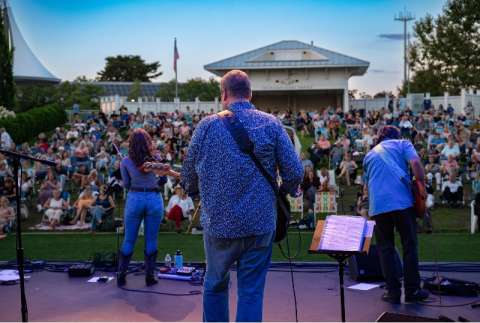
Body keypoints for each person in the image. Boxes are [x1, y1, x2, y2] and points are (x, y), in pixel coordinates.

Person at [181, 70, 303, 322]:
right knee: (251, 293)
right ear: (250, 94)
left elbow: (187, 176)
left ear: (223, 95)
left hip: (219, 224)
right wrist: (283, 192)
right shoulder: (271, 124)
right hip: (259, 224)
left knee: (215, 285)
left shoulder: (206, 126)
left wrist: (196, 195)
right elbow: (294, 171)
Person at [363, 125, 429, 304]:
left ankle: (392, 293)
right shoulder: (403, 144)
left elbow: (367, 186)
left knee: (386, 249)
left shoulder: (369, 155)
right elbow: (415, 163)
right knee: (409, 246)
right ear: (397, 135)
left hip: (378, 207)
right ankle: (412, 291)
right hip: (402, 204)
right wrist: (422, 185)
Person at [117, 128, 174, 287]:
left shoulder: (126, 161)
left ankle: (121, 275)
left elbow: (127, 184)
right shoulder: (155, 158)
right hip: (154, 199)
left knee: (129, 239)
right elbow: (162, 179)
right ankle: (150, 277)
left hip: (135, 198)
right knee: (151, 239)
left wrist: (124, 166)